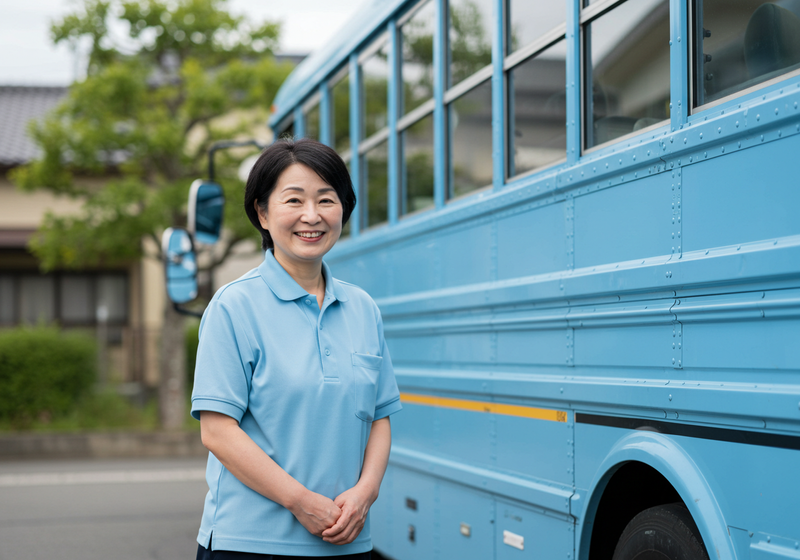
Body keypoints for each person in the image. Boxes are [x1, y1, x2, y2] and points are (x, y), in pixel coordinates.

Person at [191, 138, 402, 559]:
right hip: (250, 545)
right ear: (262, 213)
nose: (312, 216)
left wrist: (365, 494)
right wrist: (300, 503)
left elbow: (379, 416)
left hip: (346, 543)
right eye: (294, 200)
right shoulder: (235, 306)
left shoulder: (362, 308)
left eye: (327, 199)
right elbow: (217, 430)